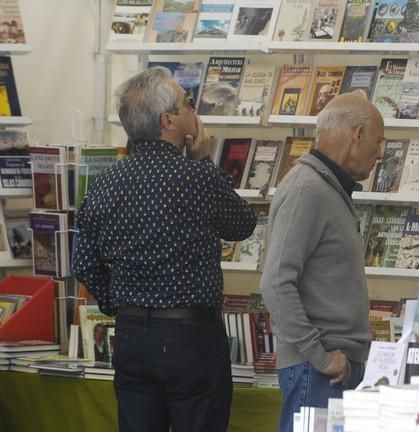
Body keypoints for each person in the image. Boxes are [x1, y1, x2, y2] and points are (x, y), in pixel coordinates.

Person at [72, 66, 257, 432]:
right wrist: (203, 160)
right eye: (188, 103)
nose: (195, 110)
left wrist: (119, 304)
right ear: (168, 120)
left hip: (132, 334)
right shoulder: (197, 177)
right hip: (191, 337)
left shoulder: (107, 183)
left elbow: (84, 260)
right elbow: (242, 225)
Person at [260, 90, 386, 432]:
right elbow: (275, 282)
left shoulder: (328, 188)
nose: (380, 154)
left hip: (332, 367)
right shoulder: (307, 190)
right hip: (317, 371)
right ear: (357, 135)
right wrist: (320, 356)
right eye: (379, 142)